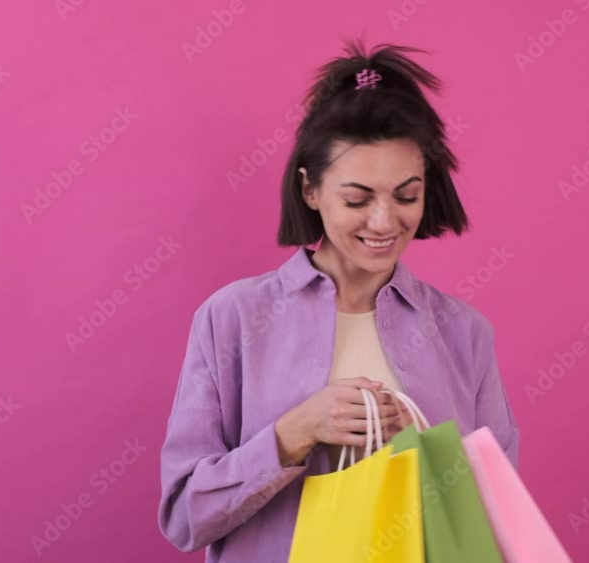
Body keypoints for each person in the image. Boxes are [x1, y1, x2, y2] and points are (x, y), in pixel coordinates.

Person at [158, 40, 520, 563]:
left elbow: (494, 519)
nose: (384, 221)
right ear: (310, 191)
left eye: (406, 195)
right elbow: (184, 516)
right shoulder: (233, 319)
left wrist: (423, 455)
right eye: (357, 199)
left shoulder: (462, 332)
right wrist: (293, 434)